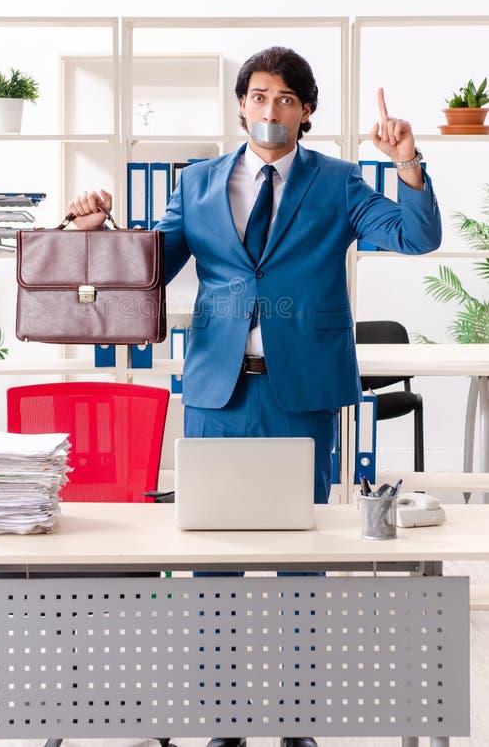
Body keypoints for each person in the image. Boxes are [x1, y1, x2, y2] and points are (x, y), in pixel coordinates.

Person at [68, 46, 442, 747]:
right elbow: (152, 267)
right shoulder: (200, 182)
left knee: (302, 563)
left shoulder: (338, 182)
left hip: (302, 393)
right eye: (260, 96)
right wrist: (100, 237)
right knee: (214, 566)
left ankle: (298, 719)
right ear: (241, 103)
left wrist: (408, 168)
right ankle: (226, 721)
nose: (271, 111)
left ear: (306, 113)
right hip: (218, 393)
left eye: (287, 100)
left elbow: (417, 236)